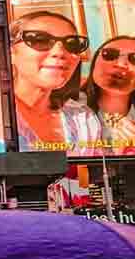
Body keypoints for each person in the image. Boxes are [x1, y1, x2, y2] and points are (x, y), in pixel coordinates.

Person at [7, 11, 100, 154]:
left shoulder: (83, 119)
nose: (59, 52)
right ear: (11, 52)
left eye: (72, 44)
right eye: (40, 40)